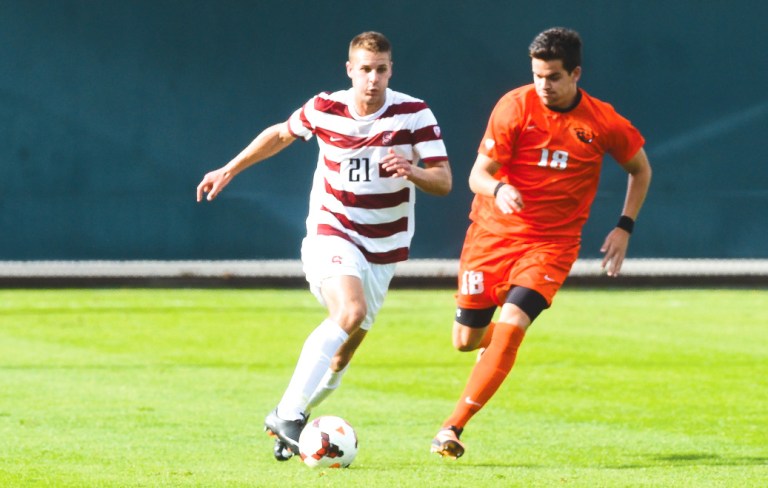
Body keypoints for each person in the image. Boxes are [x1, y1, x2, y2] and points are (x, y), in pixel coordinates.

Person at [196, 31, 452, 461]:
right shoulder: (325, 107)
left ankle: (291, 422)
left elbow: (443, 181)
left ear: (392, 69)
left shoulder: (413, 114)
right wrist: (231, 168)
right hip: (332, 231)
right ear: (350, 70)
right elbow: (281, 133)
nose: (373, 79)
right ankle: (289, 412)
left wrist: (411, 169)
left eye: (381, 69)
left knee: (342, 354)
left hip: (384, 248)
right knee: (348, 312)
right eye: (365, 69)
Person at [430, 27, 652, 459]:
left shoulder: (603, 121)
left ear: (576, 74)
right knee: (466, 341)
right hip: (491, 236)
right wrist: (497, 190)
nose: (543, 85)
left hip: (551, 244)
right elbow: (478, 175)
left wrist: (624, 226)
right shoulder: (514, 107)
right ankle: (493, 350)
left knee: (512, 326)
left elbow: (640, 169)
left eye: (552, 76)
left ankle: (451, 428)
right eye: (537, 75)